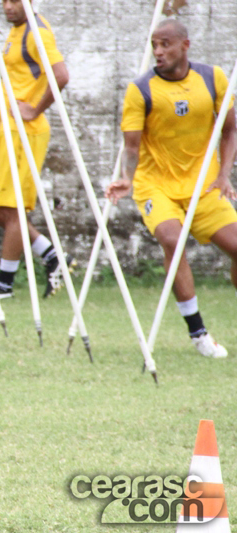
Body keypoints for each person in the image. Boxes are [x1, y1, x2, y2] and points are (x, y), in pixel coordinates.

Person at [106, 19, 237, 358]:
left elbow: (230, 130)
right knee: (172, 240)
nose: (158, 51)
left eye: (165, 44)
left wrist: (224, 174)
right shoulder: (141, 90)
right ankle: (199, 334)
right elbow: (132, 147)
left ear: (185, 46)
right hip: (156, 185)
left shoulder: (213, 79)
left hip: (204, 185)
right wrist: (127, 177)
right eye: (155, 44)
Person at [0, 0, 73, 301]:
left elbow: (61, 75)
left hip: (26, 133)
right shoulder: (14, 33)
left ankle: (3, 286)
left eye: (15, 0)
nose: (7, 6)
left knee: (14, 208)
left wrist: (35, 110)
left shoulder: (37, 33)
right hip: (8, 129)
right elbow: (11, 87)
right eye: (4, 1)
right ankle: (53, 255)